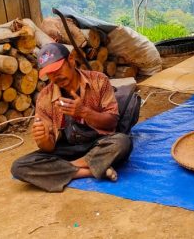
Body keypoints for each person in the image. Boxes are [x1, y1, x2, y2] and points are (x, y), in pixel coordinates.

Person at [11, 43, 132, 192]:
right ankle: (90, 170)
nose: (55, 76)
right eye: (50, 73)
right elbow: (48, 147)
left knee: (122, 142)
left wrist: (84, 112)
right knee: (19, 167)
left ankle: (69, 168)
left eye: (58, 69)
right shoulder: (45, 97)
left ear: (72, 60)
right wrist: (43, 140)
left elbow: (112, 122)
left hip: (98, 143)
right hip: (67, 148)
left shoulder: (99, 81)